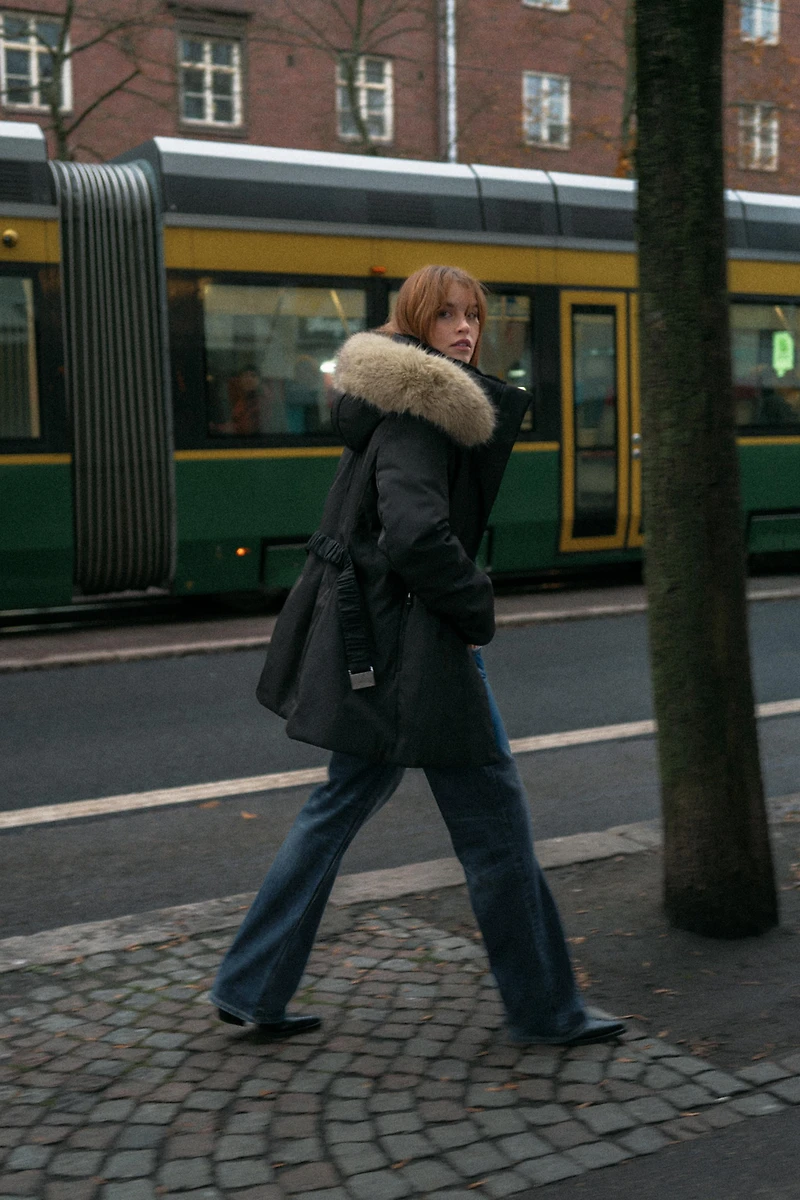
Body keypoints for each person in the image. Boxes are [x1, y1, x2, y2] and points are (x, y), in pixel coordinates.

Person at [210, 265, 626, 1047]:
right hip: (418, 653)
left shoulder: (386, 404)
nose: (465, 329)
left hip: (380, 646)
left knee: (338, 808)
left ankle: (252, 984)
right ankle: (546, 1009)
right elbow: (414, 534)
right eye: (446, 316)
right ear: (415, 325)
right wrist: (475, 605)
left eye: (474, 315)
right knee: (496, 824)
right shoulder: (421, 415)